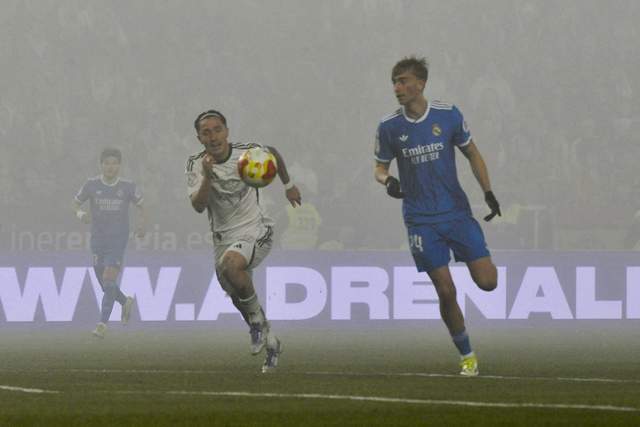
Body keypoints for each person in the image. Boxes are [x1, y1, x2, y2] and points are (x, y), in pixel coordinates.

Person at [374, 57, 501, 376]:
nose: (397, 87)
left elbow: (472, 153)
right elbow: (379, 167)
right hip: (420, 220)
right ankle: (467, 355)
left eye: (403, 81)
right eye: (394, 82)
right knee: (446, 290)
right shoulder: (389, 126)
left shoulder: (448, 115)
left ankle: (474, 259)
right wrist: (388, 181)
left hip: (457, 213)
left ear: (421, 84)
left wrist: (487, 192)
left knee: (488, 282)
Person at [186, 110, 301, 373]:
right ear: (199, 138)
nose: (213, 136)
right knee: (237, 293)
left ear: (227, 131)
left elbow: (273, 152)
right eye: (206, 132)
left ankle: (257, 322)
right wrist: (207, 176)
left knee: (232, 265)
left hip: (256, 230)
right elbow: (198, 206)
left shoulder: (247, 154)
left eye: (217, 129)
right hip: (223, 239)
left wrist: (288, 185)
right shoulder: (195, 164)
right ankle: (271, 341)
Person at [73, 148, 146, 338]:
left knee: (108, 278)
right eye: (107, 163)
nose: (110, 167)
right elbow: (75, 203)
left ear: (119, 166)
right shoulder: (91, 185)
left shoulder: (128, 186)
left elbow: (142, 206)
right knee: (105, 285)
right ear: (101, 165)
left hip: (117, 240)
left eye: (114, 163)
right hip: (98, 240)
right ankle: (124, 301)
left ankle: (102, 324)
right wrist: (80, 214)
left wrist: (141, 224)